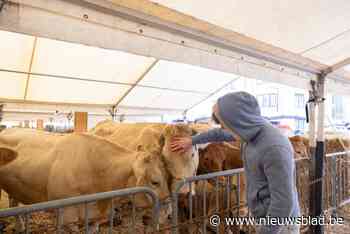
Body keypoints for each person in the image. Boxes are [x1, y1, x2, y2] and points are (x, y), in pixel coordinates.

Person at [171, 91, 300, 234]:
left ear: (239, 122)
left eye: (226, 125)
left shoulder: (274, 149)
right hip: (264, 216)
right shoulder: (250, 130)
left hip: (280, 225)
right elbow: (219, 133)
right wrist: (192, 140)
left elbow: (283, 203)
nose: (225, 130)